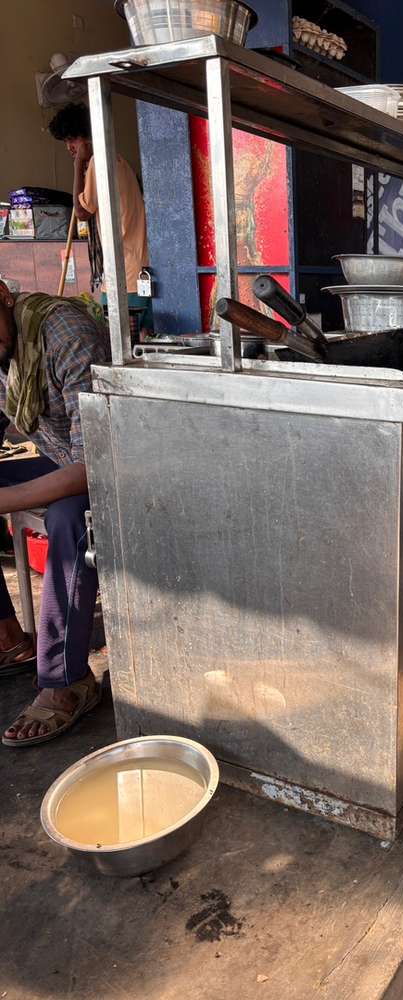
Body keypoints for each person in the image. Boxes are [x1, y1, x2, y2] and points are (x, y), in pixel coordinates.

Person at [0, 279, 108, 747]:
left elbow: (93, 465)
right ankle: (9, 638)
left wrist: (5, 500)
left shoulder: (63, 333)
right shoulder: (7, 348)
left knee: (69, 521)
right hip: (60, 455)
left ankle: (65, 681)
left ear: (3, 296)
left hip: (109, 466)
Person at [48, 102, 151, 331]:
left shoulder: (99, 163)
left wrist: (77, 165)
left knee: (120, 344)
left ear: (86, 137)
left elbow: (82, 211)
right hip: (135, 271)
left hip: (125, 275)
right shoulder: (118, 161)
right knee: (140, 339)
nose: (69, 148)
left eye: (71, 140)